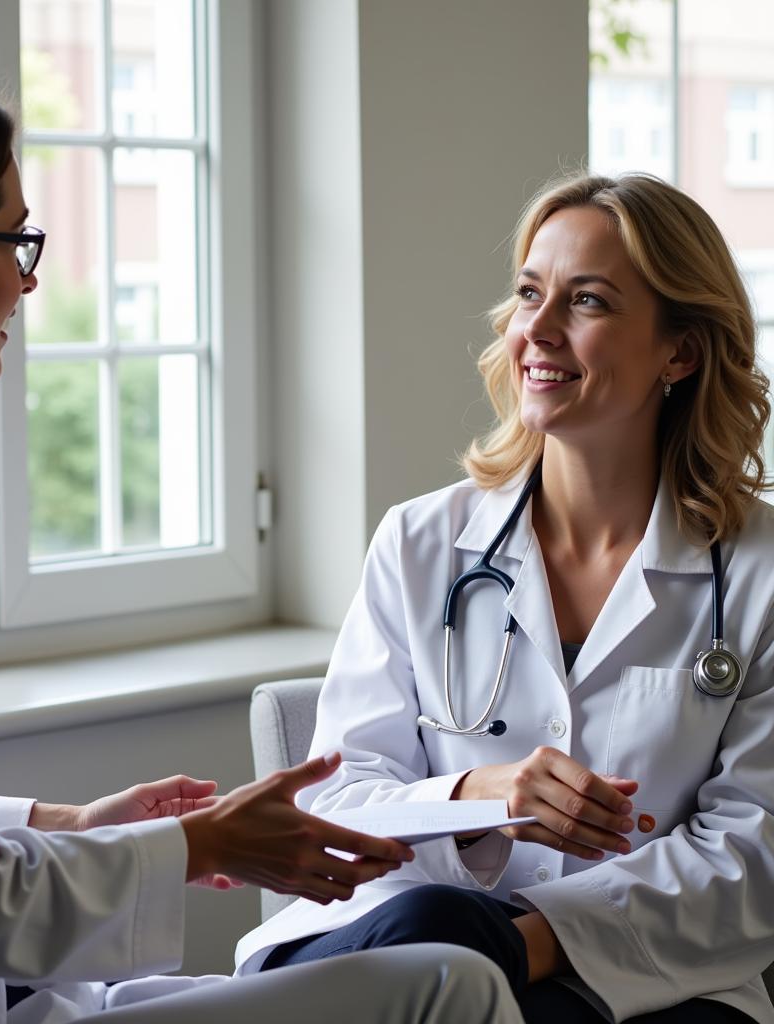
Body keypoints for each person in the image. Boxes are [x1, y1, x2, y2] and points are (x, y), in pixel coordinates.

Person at [0, 64, 527, 1023]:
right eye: (16, 240)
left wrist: (63, 823)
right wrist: (208, 848)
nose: (30, 278)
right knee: (453, 985)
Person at [234, 172, 774, 1023]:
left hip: (651, 975)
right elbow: (335, 797)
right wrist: (478, 797)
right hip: (402, 937)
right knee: (432, 929)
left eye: (586, 300)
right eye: (530, 293)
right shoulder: (420, 542)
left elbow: (753, 854)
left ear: (681, 351)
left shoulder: (757, 574)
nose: (538, 330)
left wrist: (522, 941)